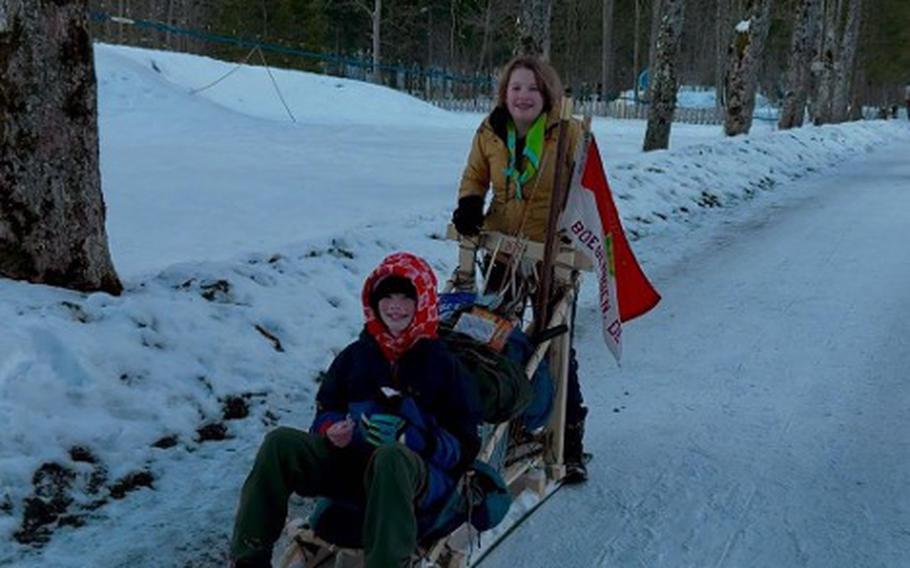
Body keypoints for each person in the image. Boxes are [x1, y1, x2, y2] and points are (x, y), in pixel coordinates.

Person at [230, 252, 482, 568]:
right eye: (386, 296)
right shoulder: (355, 357)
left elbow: (465, 447)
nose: (395, 306)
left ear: (423, 302)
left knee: (391, 458)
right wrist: (331, 429)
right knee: (280, 443)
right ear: (372, 302)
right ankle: (249, 558)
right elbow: (326, 410)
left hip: (420, 482)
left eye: (406, 297)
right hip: (356, 468)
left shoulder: (444, 367)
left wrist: (413, 440)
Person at [451, 55, 589, 483]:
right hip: (502, 250)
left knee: (551, 344)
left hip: (552, 253)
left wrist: (575, 229)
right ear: (504, 94)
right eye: (515, 88)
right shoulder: (490, 131)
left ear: (546, 93)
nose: (523, 96)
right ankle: (495, 423)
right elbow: (474, 176)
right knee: (488, 336)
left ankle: (568, 440)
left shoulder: (567, 133)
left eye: (532, 88)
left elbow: (588, 187)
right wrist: (470, 204)